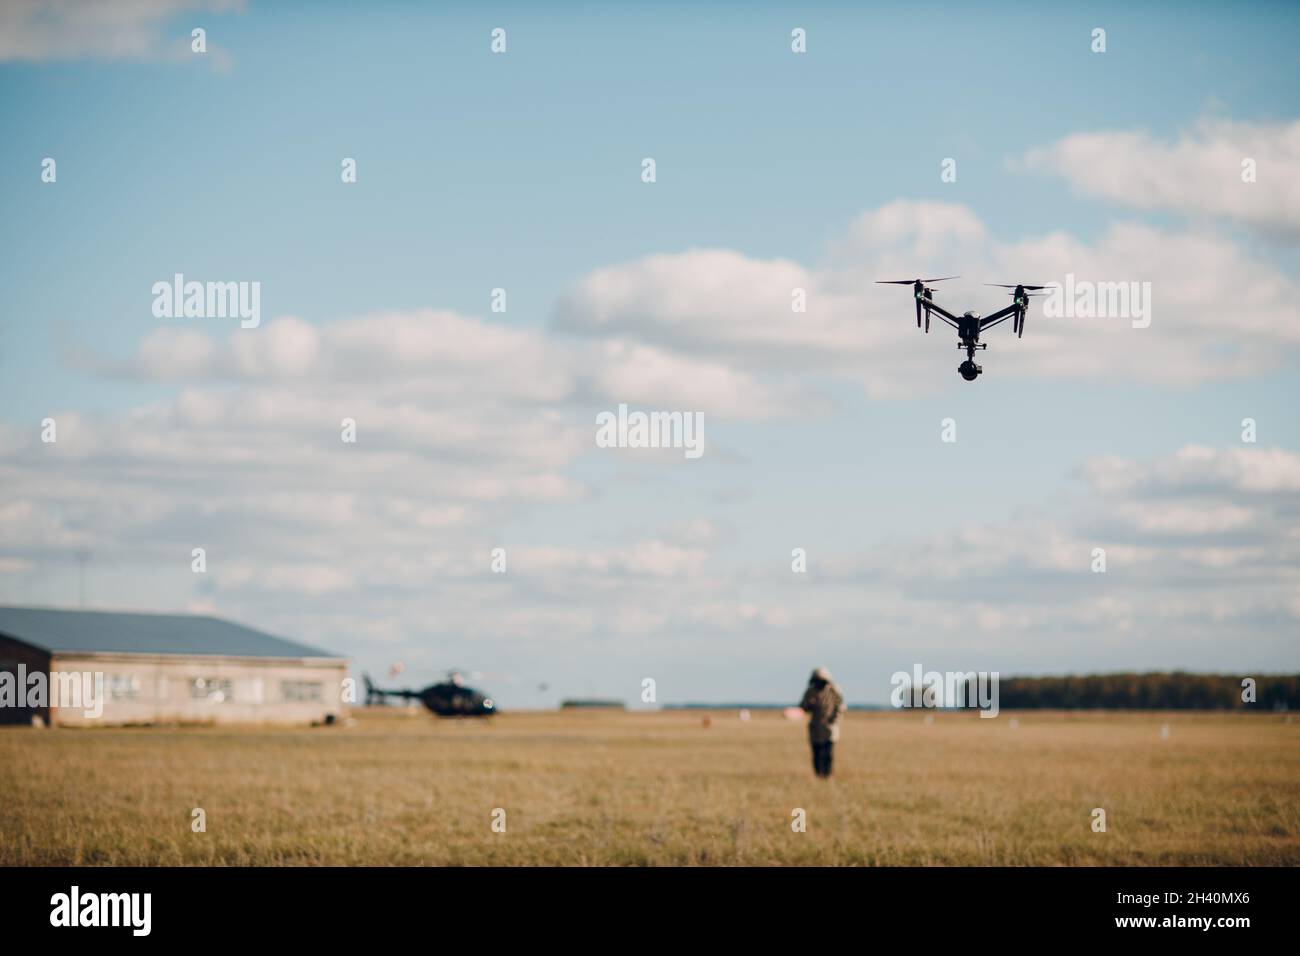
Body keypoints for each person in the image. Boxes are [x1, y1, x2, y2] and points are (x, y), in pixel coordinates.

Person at [799, 667, 844, 778]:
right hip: (815, 728)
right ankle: (818, 775)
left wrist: (833, 719)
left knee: (827, 753)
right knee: (817, 753)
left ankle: (827, 774)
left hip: (829, 728)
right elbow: (803, 707)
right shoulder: (810, 692)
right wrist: (810, 704)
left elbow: (840, 706)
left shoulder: (833, 690)